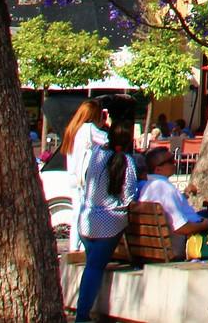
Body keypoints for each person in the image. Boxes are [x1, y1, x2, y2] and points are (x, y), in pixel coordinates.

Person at [69, 102, 130, 323]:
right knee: (94, 266)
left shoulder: (92, 153)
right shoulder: (123, 161)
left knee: (92, 263)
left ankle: (83, 311)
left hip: (86, 219)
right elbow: (129, 195)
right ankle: (82, 314)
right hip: (107, 223)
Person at [138, 145, 208, 246]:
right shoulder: (165, 188)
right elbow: (181, 228)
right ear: (158, 169)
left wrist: (185, 195)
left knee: (207, 214)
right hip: (181, 243)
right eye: (170, 161)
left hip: (157, 241)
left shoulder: (147, 186)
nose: (175, 162)